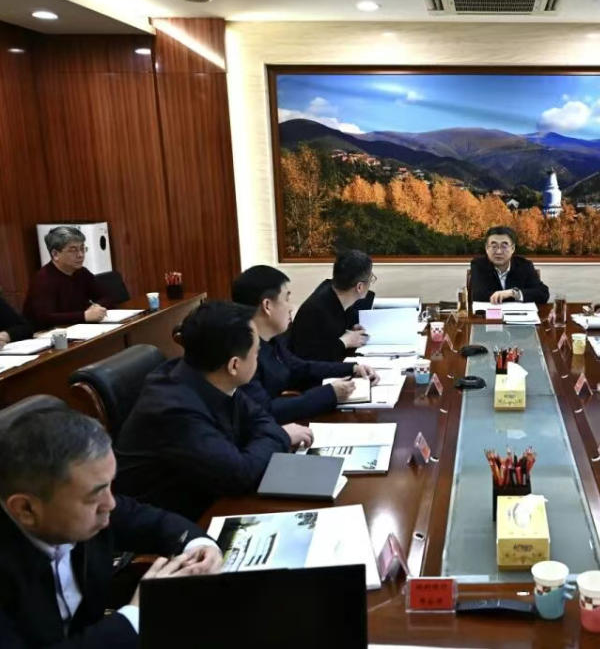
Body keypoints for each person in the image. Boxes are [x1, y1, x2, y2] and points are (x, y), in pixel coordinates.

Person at [0, 407, 222, 648]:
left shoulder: (83, 504)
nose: (111, 504)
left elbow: (155, 522)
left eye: (109, 485)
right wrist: (137, 615)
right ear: (26, 509)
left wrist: (199, 547)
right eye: (94, 496)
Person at [116, 301, 312, 521]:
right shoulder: (174, 410)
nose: (258, 359)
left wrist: (269, 437)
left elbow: (259, 417)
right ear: (234, 365)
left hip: (209, 493)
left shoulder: (210, 375)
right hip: (177, 521)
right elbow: (239, 475)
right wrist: (282, 436)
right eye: (256, 353)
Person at [232, 265, 378, 423]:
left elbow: (300, 367)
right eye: (286, 299)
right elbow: (264, 411)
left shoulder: (272, 340)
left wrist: (352, 368)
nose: (291, 307)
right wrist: (330, 394)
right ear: (267, 306)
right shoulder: (242, 353)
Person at [288, 249, 376, 362]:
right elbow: (309, 359)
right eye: (370, 278)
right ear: (360, 287)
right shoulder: (316, 311)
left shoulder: (333, 291)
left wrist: (350, 331)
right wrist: (345, 342)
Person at [23, 226, 112, 329]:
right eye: (73, 250)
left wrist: (97, 307)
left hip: (78, 328)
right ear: (55, 254)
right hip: (46, 333)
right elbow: (45, 318)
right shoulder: (43, 279)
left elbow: (107, 296)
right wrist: (84, 316)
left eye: (82, 248)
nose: (80, 255)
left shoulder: (81, 272)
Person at [469, 226, 549, 305]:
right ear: (487, 248)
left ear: (513, 248)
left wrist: (513, 293)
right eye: (494, 246)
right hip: (490, 313)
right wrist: (515, 296)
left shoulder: (524, 266)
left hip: (519, 313)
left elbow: (543, 294)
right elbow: (478, 295)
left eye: (504, 246)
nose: (499, 252)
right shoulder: (478, 265)